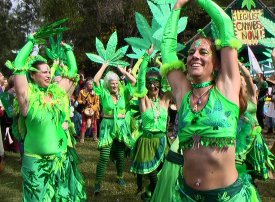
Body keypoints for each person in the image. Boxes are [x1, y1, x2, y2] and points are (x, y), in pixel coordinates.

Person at [158, 0, 260, 201]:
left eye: (203, 52)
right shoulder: (183, 94)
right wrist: (177, 8)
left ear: (216, 63)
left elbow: (224, 25)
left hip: (228, 197)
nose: (195, 56)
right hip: (186, 195)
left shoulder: (227, 87)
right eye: (190, 53)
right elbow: (167, 51)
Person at [12, 34, 86, 201]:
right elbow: (18, 65)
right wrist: (30, 42)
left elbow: (72, 71)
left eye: (48, 72)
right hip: (35, 164)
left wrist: (68, 50)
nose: (48, 75)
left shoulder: (57, 93)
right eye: (44, 72)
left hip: (60, 162)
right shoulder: (27, 98)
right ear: (32, 75)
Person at [130, 46, 171, 200]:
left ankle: (148, 195)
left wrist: (164, 60)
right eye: (150, 83)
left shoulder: (165, 100)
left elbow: (169, 81)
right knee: (155, 179)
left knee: (163, 177)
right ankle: (152, 197)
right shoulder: (144, 101)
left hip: (163, 142)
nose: (153, 86)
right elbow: (140, 82)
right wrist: (146, 58)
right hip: (147, 144)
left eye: (155, 82)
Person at [93, 63, 136, 195]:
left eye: (116, 83)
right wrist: (104, 66)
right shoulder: (104, 93)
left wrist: (122, 71)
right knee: (104, 156)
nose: (115, 85)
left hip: (122, 126)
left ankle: (120, 177)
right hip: (108, 126)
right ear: (107, 83)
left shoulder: (123, 92)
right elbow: (95, 80)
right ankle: (98, 183)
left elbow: (133, 81)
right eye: (112, 83)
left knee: (121, 155)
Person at [236, 62, 274, 181]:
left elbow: (247, 77)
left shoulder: (252, 98)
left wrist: (237, 63)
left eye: (242, 80)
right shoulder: (232, 100)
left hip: (254, 139)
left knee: (257, 169)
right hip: (240, 139)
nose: (241, 81)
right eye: (238, 80)